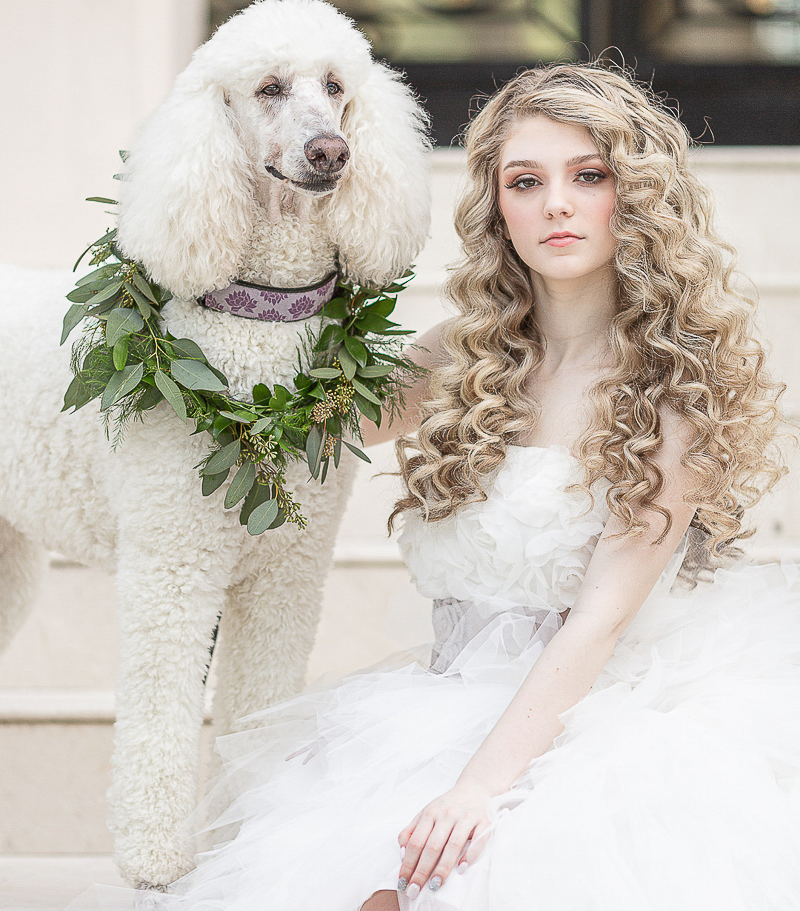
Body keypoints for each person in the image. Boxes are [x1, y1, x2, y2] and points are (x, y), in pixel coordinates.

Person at [143, 63, 800, 911]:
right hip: (438, 704)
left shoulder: (669, 391)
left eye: (588, 176)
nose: (556, 204)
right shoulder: (466, 354)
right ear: (497, 207)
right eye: (526, 182)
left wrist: (475, 791)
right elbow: (293, 419)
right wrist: (198, 283)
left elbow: (597, 623)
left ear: (633, 196)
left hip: (586, 724)